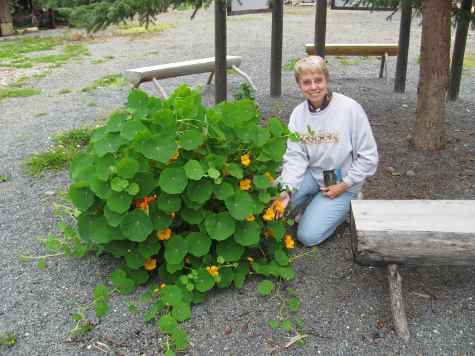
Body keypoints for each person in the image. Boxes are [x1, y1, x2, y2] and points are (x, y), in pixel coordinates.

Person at [274, 55, 378, 246]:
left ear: (326, 79)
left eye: (318, 80)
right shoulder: (298, 114)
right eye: (307, 82)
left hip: (343, 183)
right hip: (313, 175)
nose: (314, 87)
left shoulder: (350, 109)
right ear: (299, 85)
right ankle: (311, 201)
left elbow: (369, 157)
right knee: (274, 197)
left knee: (307, 236)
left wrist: (345, 184)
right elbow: (295, 156)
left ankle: (348, 206)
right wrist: (287, 189)